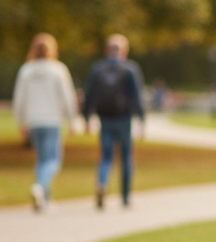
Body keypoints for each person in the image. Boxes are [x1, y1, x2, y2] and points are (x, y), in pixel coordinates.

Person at [12, 33, 78, 212]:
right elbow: (67, 97)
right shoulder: (58, 69)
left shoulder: (26, 70)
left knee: (41, 160)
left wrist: (21, 121)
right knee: (54, 161)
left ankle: (45, 199)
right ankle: (40, 187)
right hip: (52, 120)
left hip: (34, 121)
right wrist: (72, 119)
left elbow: (19, 99)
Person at [82, 34, 145, 209]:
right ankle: (125, 197)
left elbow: (89, 95)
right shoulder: (130, 69)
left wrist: (86, 117)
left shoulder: (98, 69)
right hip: (124, 119)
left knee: (106, 157)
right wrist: (142, 119)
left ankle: (102, 183)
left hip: (105, 119)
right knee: (126, 158)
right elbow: (137, 97)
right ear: (124, 50)